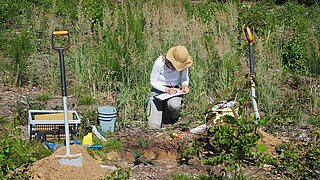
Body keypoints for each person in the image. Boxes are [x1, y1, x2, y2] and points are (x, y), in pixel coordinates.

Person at [147, 45, 193, 129]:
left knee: (175, 105)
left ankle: (168, 118)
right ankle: (159, 115)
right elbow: (153, 81)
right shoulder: (160, 62)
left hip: (174, 90)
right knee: (153, 127)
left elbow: (184, 78)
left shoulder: (183, 64)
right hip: (158, 91)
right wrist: (166, 89)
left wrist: (185, 85)